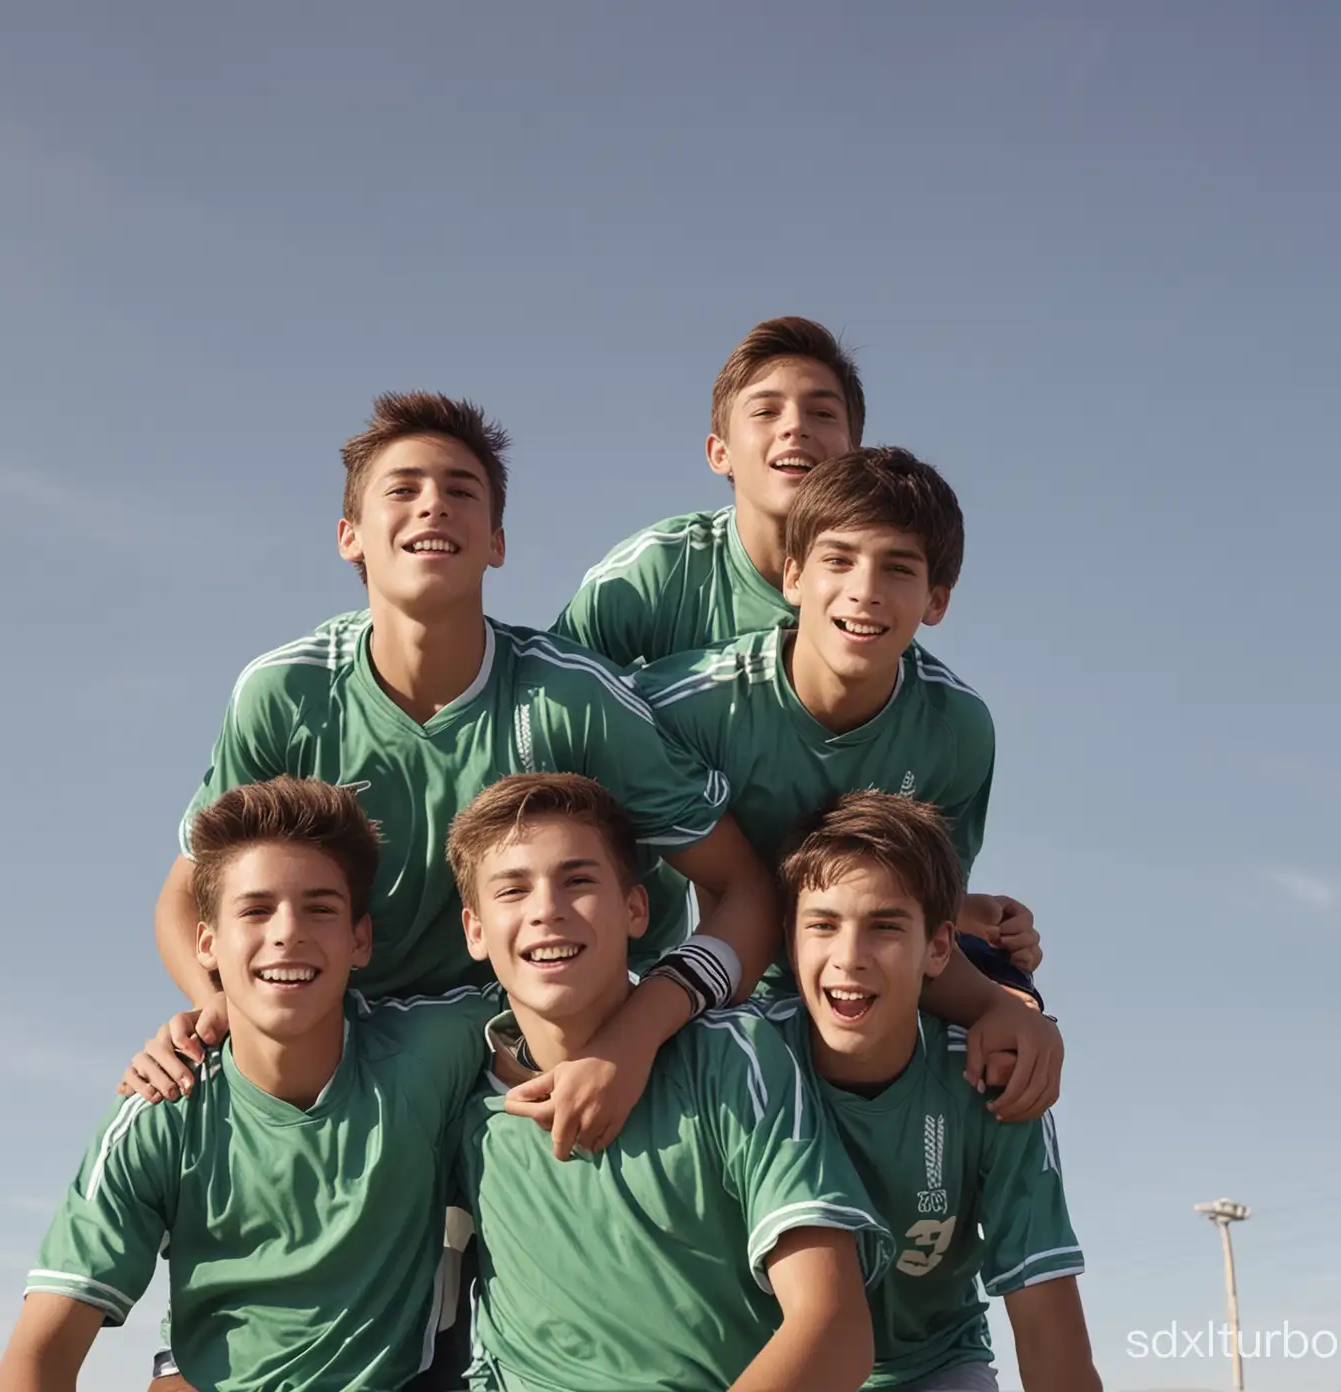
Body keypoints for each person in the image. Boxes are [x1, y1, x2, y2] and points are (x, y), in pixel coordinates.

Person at [152, 389, 783, 1156]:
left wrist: (634, 1039)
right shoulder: (284, 693)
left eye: (461, 493)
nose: (433, 508)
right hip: (359, 1057)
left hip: (552, 1056)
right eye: (404, 489)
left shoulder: (571, 697)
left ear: (497, 542)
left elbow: (746, 887)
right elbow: (188, 895)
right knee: (171, 1105)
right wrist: (213, 1005)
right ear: (350, 536)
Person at [0, 779, 498, 1392]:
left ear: (359, 939)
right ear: (207, 943)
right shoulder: (162, 1108)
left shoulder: (431, 1050)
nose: (288, 932)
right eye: (256, 910)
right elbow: (38, 1360)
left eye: (321, 908)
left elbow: (560, 985)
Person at [447, 773, 890, 1391]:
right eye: (512, 891)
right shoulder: (462, 1098)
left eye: (577, 881)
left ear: (636, 909)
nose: (546, 910)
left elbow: (836, 1329)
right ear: (474, 930)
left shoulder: (732, 1057)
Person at [635, 447, 1041, 1006]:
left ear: (936, 601)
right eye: (839, 560)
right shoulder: (684, 707)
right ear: (794, 576)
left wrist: (993, 972)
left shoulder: (956, 731)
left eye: (898, 568)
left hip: (859, 979)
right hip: (708, 975)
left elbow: (927, 914)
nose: (865, 589)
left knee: (1018, 1026)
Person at [764, 791, 1100, 1392]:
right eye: (823, 924)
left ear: (938, 948)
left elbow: (1052, 1340)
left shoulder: (993, 1081)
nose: (850, 958)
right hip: (769, 1366)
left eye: (885, 927)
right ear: (790, 939)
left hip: (932, 1367)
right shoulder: (744, 1064)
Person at [553, 315, 864, 667]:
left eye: (823, 413)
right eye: (765, 411)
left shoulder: (877, 588)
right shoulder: (659, 570)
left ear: (853, 453)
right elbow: (544, 698)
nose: (795, 426)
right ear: (720, 453)